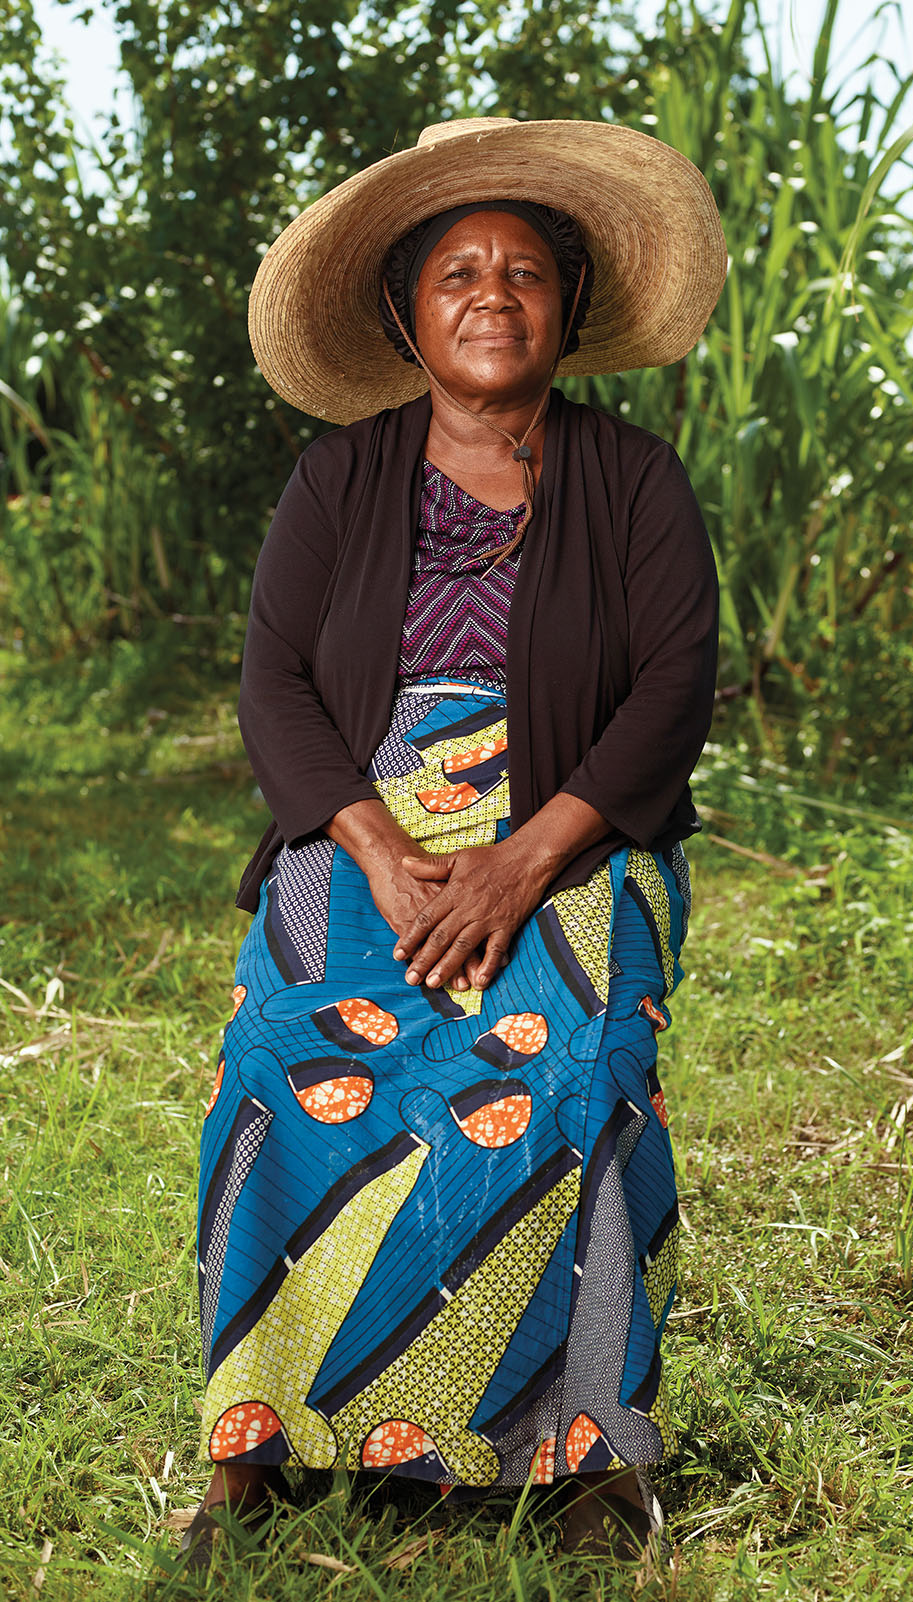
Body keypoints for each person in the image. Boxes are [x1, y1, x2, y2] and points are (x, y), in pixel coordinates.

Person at [184, 115, 725, 1569]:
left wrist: (518, 859)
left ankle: (584, 1447)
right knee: (282, 1050)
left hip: (578, 826)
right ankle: (265, 1434)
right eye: (459, 273)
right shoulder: (338, 483)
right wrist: (374, 847)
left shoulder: (636, 485)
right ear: (405, 313)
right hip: (362, 826)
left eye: (528, 272)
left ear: (570, 308)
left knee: (573, 1049)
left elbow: (675, 686)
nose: (494, 295)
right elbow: (275, 683)